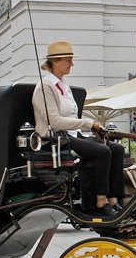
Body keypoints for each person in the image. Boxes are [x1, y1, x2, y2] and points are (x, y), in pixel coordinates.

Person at [32, 40, 125, 217]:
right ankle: (99, 200)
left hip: (73, 136)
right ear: (56, 61)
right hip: (55, 138)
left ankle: (115, 199)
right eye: (68, 60)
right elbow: (55, 121)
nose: (72, 64)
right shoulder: (45, 87)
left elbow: (72, 116)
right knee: (103, 151)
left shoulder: (64, 86)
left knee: (118, 149)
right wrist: (88, 124)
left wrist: (93, 126)